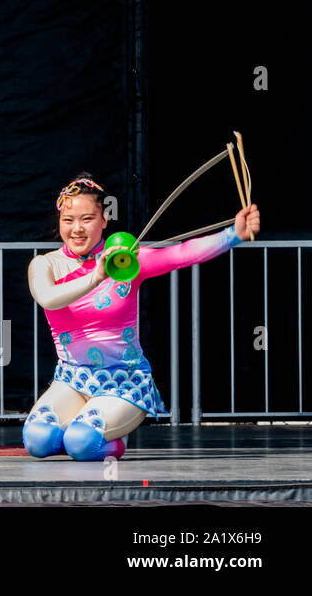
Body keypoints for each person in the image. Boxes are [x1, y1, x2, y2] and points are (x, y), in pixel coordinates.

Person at [23, 174, 260, 460]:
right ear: (59, 220)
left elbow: (181, 253)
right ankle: (86, 426)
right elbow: (48, 297)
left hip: (123, 381)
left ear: (104, 220)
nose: (77, 229)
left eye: (87, 218)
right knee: (38, 441)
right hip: (72, 380)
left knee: (81, 443)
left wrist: (233, 234)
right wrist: (96, 277)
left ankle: (105, 438)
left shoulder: (125, 262)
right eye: (68, 220)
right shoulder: (43, 265)